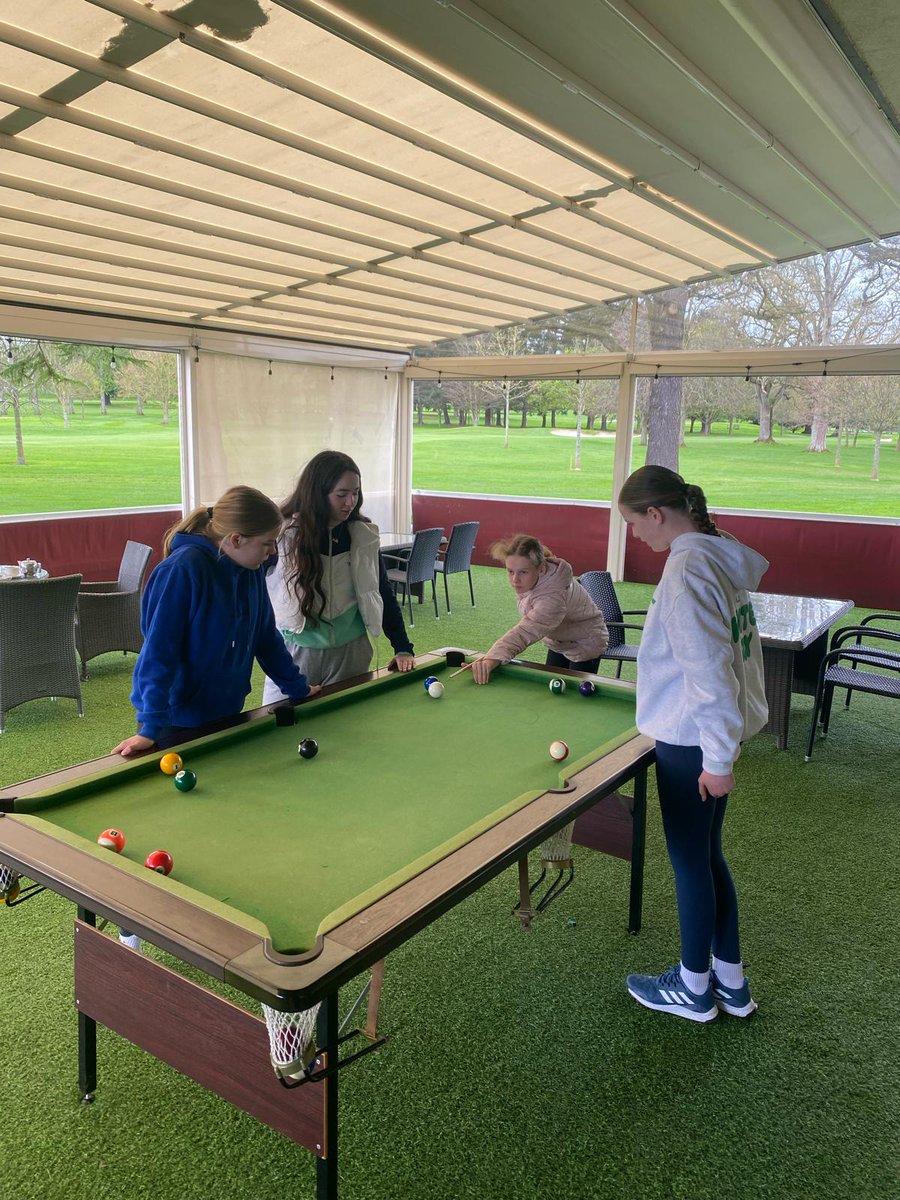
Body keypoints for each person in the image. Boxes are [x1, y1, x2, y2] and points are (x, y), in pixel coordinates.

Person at [618, 464, 768, 1022]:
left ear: (656, 514)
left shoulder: (686, 572)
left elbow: (709, 673)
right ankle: (729, 981)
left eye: (635, 524)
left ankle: (693, 986)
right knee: (707, 856)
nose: (637, 536)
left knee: (689, 860)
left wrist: (717, 758)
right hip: (706, 739)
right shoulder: (713, 551)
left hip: (691, 742)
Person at [113, 486, 318, 760]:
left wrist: (298, 688)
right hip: (173, 724)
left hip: (228, 714)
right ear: (235, 539)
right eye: (267, 543)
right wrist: (150, 728)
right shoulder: (182, 570)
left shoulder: (249, 569)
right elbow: (159, 654)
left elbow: (265, 637)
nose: (271, 553)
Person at [263, 450, 415, 700]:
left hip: (351, 653)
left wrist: (402, 647)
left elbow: (382, 592)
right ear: (317, 493)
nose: (350, 502)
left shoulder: (363, 536)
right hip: (296, 653)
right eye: (341, 494)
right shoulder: (283, 534)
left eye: (355, 493)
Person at [469, 534, 608, 685]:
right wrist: (492, 657)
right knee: (552, 687)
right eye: (510, 571)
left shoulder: (552, 598)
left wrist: (491, 659)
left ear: (541, 570)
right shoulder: (539, 574)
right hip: (560, 640)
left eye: (523, 572)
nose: (515, 579)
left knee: (574, 699)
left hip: (586, 643)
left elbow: (525, 632)